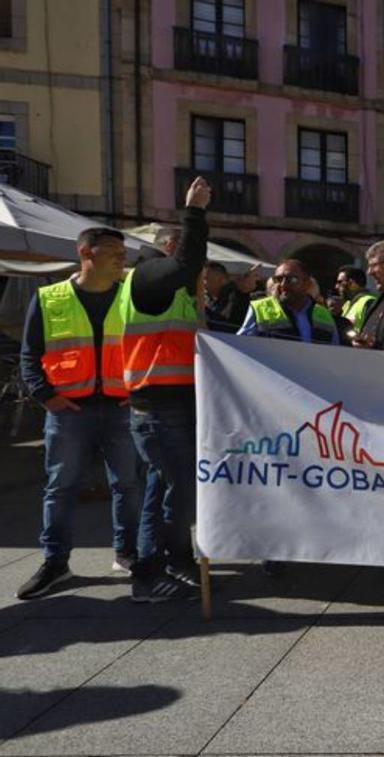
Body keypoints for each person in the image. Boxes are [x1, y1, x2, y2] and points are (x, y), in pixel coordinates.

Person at [15, 228, 143, 599]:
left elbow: (144, 348)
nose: (123, 258)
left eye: (124, 252)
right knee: (60, 488)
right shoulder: (49, 298)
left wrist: (137, 392)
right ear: (86, 253)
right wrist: (45, 396)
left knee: (128, 485)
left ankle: (127, 554)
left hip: (121, 406)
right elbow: (30, 354)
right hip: (69, 410)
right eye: (114, 252)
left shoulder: (130, 296)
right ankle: (56, 563)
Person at [118, 176, 212, 602]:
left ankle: (173, 561)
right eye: (177, 243)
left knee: (165, 486)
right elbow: (186, 267)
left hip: (172, 403)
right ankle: (149, 572)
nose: (183, 249)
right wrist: (194, 212)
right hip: (158, 406)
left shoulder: (168, 290)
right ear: (162, 251)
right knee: (174, 488)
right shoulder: (147, 279)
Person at [238, 259, 339, 345]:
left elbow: (335, 352)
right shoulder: (259, 308)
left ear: (306, 283)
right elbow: (240, 346)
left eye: (291, 279)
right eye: (278, 279)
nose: (283, 284)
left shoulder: (323, 313)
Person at [202, 261, 256, 333]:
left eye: (205, 278)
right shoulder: (207, 299)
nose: (202, 283)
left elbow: (228, 326)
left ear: (222, 280)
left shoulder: (237, 297)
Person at [335, 265, 376, 333]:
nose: (336, 286)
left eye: (340, 282)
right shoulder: (348, 304)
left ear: (352, 283)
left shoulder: (369, 302)